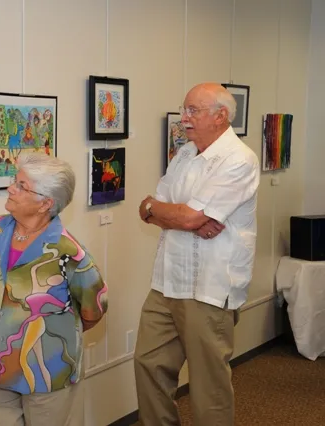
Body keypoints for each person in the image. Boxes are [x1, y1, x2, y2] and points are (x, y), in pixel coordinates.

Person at [135, 82, 261, 425]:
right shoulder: (186, 154)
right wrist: (172, 214)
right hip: (166, 282)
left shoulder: (239, 159)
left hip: (209, 286)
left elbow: (184, 215)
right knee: (148, 365)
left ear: (221, 116)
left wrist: (174, 214)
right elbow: (147, 207)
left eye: (193, 110)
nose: (184, 117)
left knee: (208, 386)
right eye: (184, 109)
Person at [0, 153, 109, 426]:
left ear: (46, 203)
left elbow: (94, 308)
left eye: (22, 186)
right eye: (15, 181)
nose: (11, 188)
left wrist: (53, 335)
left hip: (47, 371)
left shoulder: (68, 251)